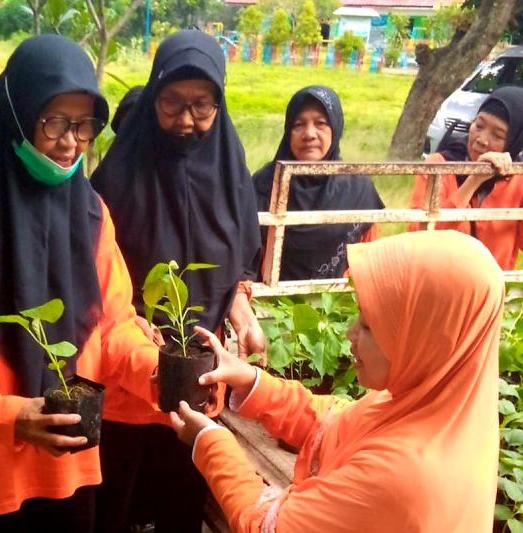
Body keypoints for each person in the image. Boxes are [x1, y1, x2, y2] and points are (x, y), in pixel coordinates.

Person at [0, 35, 160, 533]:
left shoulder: (91, 213)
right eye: (55, 122)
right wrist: (7, 414)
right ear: (17, 116)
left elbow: (115, 324)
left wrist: (158, 371)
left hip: (69, 459)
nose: (70, 142)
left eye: (84, 126)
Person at [171, 230, 502, 533]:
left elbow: (269, 526)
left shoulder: (405, 476)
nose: (351, 333)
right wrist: (251, 380)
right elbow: (333, 421)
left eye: (370, 326)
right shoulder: (439, 414)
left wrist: (209, 440)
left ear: (430, 341)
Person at [91, 29, 264, 533]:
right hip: (126, 378)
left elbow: (235, 266)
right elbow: (93, 267)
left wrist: (243, 311)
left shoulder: (231, 175)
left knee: (180, 500)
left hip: (200, 378)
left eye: (202, 105)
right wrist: (126, 319)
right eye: (171, 103)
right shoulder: (119, 175)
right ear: (152, 98)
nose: (186, 119)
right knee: (115, 502)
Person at [253, 86, 384, 281]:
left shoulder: (357, 188)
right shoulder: (264, 186)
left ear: (336, 128)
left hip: (338, 303)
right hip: (269, 305)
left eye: (320, 123)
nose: (309, 134)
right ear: (288, 131)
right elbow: (245, 257)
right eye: (298, 124)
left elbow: (370, 260)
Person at [410, 85, 523, 270]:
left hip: (491, 291)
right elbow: (419, 235)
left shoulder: (517, 177)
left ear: (513, 143)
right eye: (478, 125)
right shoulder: (438, 165)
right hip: (438, 284)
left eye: (497, 135)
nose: (482, 139)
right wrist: (473, 181)